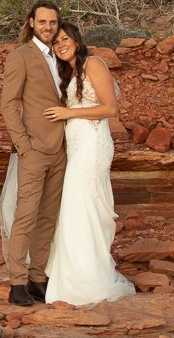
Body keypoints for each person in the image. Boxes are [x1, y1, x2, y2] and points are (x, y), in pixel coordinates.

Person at [40, 20, 135, 307]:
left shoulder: (93, 63)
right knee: (75, 208)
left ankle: (86, 281)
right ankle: (74, 276)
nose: (61, 45)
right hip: (79, 147)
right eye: (56, 42)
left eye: (66, 39)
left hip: (93, 146)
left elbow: (110, 108)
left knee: (81, 206)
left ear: (78, 41)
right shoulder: (69, 73)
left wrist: (66, 113)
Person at [0, 0, 67, 305]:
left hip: (62, 150)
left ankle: (38, 279)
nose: (48, 27)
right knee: (25, 215)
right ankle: (17, 283)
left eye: (53, 22)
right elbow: (8, 104)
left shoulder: (64, 55)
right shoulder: (20, 56)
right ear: (31, 22)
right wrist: (24, 146)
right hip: (34, 150)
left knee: (48, 218)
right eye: (42, 22)